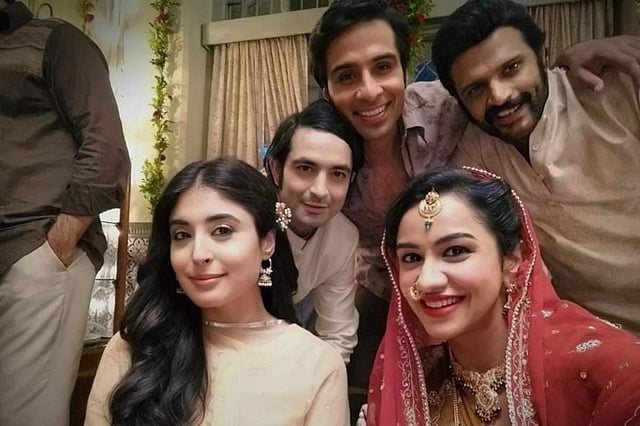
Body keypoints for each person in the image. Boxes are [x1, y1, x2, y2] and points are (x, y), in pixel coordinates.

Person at [308, 0, 640, 415]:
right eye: (346, 76)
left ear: (404, 72)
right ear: (327, 90)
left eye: (383, 67)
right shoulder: (326, 150)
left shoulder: (456, 115)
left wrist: (569, 59)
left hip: (505, 299)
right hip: (397, 294)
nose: (370, 90)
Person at [366, 167, 640, 425]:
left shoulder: (604, 371)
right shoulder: (411, 379)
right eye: (411, 258)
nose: (427, 281)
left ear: (512, 260)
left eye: (455, 251)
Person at [85, 158, 349, 425]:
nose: (198, 253)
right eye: (182, 235)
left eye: (222, 231)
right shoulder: (137, 348)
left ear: (267, 242)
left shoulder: (317, 364)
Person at [431, 0, 640, 335]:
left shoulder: (618, 88)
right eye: (475, 89)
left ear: (542, 54)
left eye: (511, 68)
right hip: (593, 342)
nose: (499, 96)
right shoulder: (471, 154)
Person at [0, 0, 130, 424]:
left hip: (33, 248)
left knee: (26, 416)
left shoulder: (56, 41)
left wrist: (56, 246)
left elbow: (107, 149)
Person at [264, 99, 363, 363]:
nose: (320, 190)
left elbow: (337, 335)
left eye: (338, 174)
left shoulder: (343, 237)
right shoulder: (244, 216)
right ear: (276, 168)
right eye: (305, 169)